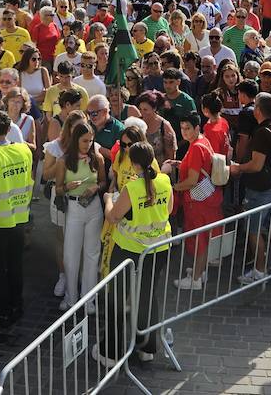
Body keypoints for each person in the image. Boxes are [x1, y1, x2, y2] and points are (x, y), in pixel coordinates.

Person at [99, 141, 172, 365]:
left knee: (117, 299)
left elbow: (113, 217)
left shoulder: (132, 189)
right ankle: (147, 348)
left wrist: (108, 200)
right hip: (158, 250)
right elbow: (168, 210)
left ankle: (110, 353)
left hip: (129, 251)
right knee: (148, 297)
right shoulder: (165, 180)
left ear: (133, 162)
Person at [229, 92, 271, 283]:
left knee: (254, 230)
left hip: (261, 190)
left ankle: (259, 270)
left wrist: (237, 167)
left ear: (259, 110)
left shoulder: (263, 132)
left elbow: (256, 165)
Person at [0, 130, 34, 328]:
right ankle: (17, 305)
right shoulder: (23, 150)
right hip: (20, 217)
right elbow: (30, 177)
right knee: (16, 265)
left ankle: (2, 310)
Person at [57, 118, 107, 308]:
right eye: (85, 140)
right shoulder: (64, 161)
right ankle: (71, 296)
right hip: (74, 208)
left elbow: (102, 181)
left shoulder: (97, 158)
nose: (88, 144)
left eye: (91, 140)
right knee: (71, 254)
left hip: (94, 207)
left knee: (92, 253)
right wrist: (67, 187)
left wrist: (96, 187)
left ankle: (89, 299)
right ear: (76, 139)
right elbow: (59, 189)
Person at [170, 114, 224, 290]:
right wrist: (181, 164)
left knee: (200, 240)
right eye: (182, 128)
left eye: (188, 128)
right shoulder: (202, 141)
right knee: (204, 239)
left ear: (196, 128)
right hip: (208, 199)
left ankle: (195, 279)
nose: (184, 132)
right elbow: (198, 167)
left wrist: (173, 187)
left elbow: (192, 181)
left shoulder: (195, 148)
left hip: (198, 203)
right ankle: (199, 271)